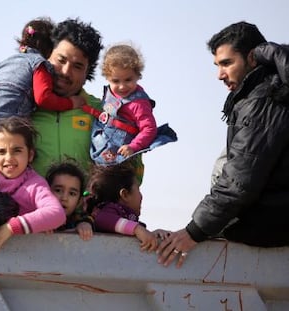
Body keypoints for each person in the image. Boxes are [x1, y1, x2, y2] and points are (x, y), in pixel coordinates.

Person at [157, 21, 289, 268]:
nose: (220, 74)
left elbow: (239, 182)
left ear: (252, 58)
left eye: (227, 63)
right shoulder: (265, 93)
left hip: (273, 221)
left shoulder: (263, 100)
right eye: (217, 65)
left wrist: (194, 231)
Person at [0, 17, 86, 161]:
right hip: (1, 139)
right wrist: (71, 103)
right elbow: (43, 98)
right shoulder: (38, 64)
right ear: (49, 49)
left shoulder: (5, 62)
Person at [0, 116, 66, 251]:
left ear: (30, 155)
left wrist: (11, 227)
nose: (9, 158)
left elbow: (57, 214)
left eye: (17, 150)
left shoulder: (34, 184)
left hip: (18, 257)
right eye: (1, 152)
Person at [30, 18, 111, 178]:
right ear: (46, 56)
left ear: (88, 72)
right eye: (61, 60)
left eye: (77, 66)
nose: (66, 71)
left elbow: (128, 169)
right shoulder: (21, 104)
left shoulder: (103, 113)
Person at [89, 43, 157, 165]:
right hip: (99, 149)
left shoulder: (139, 103)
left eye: (128, 80)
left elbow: (149, 128)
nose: (122, 86)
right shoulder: (109, 94)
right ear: (107, 77)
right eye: (115, 81)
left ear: (138, 75)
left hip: (121, 157)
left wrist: (133, 146)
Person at [85, 163, 171, 252]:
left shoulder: (129, 219)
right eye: (138, 189)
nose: (141, 196)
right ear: (125, 195)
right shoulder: (110, 210)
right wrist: (136, 229)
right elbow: (102, 220)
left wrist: (154, 235)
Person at [45, 158, 94, 241]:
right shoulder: (35, 216)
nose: (64, 198)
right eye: (58, 190)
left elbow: (89, 220)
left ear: (79, 201)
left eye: (72, 193)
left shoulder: (78, 220)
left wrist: (85, 225)